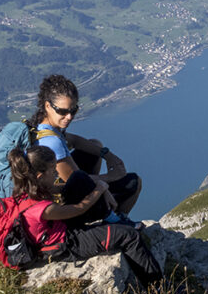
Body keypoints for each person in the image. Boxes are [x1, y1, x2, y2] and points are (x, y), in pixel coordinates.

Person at [7, 144, 162, 286]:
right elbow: (80, 208)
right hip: (66, 243)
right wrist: (100, 188)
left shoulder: (27, 190)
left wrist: (91, 183)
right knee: (129, 236)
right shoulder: (43, 209)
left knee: (78, 177)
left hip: (58, 228)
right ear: (40, 176)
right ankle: (159, 290)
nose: (56, 174)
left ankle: (108, 215)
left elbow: (60, 189)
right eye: (53, 171)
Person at [29, 74, 142, 226]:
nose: (69, 117)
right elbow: (76, 180)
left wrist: (107, 155)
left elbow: (76, 141)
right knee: (133, 182)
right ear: (48, 106)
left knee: (94, 145)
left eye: (73, 110)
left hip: (57, 191)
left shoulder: (41, 127)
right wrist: (111, 178)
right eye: (63, 111)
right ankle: (115, 223)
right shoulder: (52, 142)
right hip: (63, 208)